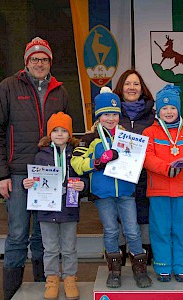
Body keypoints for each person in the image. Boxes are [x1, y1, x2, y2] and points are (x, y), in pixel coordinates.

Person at [0, 37, 70, 300]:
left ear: (50, 62)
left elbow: (67, 134)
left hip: (50, 172)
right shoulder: (8, 87)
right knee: (19, 233)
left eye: (44, 59)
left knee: (44, 235)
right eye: (35, 59)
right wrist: (2, 174)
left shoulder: (61, 91)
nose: (40, 63)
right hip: (19, 172)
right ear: (26, 62)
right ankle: (11, 293)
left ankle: (45, 288)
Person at [71, 87, 152, 289]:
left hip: (126, 192)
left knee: (133, 231)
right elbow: (76, 163)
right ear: (99, 116)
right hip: (103, 194)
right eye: (106, 114)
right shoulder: (90, 138)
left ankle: (139, 270)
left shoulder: (127, 136)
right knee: (111, 231)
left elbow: (137, 161)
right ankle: (114, 272)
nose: (111, 118)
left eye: (114, 114)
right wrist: (97, 162)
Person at [142, 84, 183, 283]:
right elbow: (146, 157)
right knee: (160, 229)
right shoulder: (149, 132)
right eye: (164, 108)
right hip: (158, 190)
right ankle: (162, 266)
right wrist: (166, 168)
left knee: (182, 230)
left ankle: (182, 267)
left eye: (172, 108)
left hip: (182, 190)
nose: (169, 112)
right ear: (158, 111)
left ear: (178, 110)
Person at [23, 112, 87, 300]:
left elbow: (83, 176)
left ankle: (69, 279)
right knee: (49, 248)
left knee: (69, 248)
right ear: (49, 134)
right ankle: (51, 279)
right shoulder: (40, 156)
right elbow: (34, 180)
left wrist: (84, 185)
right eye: (55, 130)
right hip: (46, 210)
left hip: (69, 208)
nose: (59, 134)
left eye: (64, 130)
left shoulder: (76, 154)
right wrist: (26, 184)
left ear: (70, 134)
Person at [113, 69, 155, 266]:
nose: (131, 87)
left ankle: (144, 267)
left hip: (145, 179)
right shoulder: (110, 115)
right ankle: (118, 268)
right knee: (119, 222)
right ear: (120, 88)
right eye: (127, 83)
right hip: (117, 180)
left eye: (136, 84)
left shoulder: (153, 116)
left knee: (144, 220)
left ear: (142, 88)